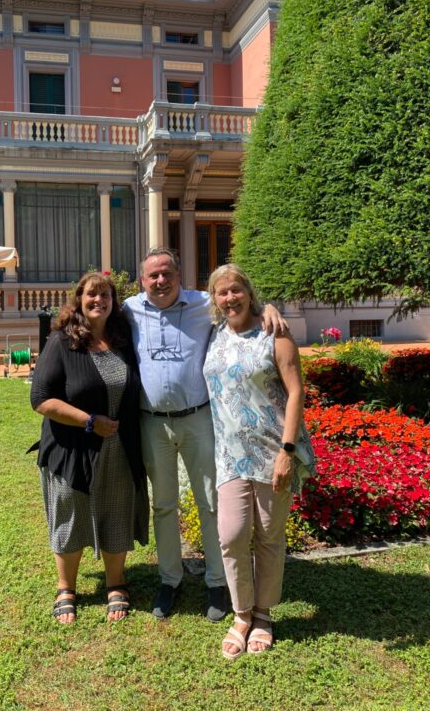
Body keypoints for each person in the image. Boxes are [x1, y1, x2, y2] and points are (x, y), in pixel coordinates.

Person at [123, 248, 287, 621]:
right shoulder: (129, 310)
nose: (160, 280)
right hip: (152, 422)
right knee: (163, 505)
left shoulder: (202, 304)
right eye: (153, 275)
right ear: (142, 280)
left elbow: (238, 303)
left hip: (198, 419)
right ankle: (170, 579)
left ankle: (216, 581)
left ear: (179, 275)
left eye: (167, 273)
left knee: (210, 501)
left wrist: (269, 308)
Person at [203, 264, 316, 658]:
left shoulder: (274, 333)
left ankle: (263, 615)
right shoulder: (213, 333)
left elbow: (296, 391)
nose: (229, 298)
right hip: (229, 456)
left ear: (249, 292)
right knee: (231, 535)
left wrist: (287, 452)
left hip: (272, 453)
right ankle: (241, 614)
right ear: (214, 299)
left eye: (236, 290)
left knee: (268, 537)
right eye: (222, 292)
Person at [30, 271, 149, 624]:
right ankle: (66, 587)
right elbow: (40, 399)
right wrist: (88, 420)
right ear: (79, 300)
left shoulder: (122, 340)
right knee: (70, 512)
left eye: (105, 295)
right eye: (91, 295)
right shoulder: (62, 342)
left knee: (116, 510)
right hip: (72, 448)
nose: (99, 301)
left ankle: (116, 582)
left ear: (114, 302)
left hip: (119, 447)